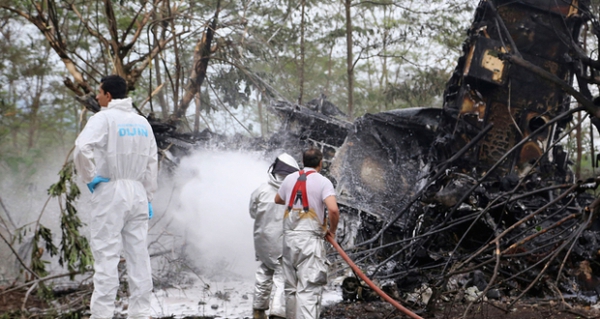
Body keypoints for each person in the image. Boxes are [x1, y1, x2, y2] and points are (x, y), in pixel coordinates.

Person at [74, 75, 158, 319]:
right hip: (138, 193)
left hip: (111, 190)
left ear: (108, 95)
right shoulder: (143, 123)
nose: (97, 97)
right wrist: (149, 195)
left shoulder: (104, 118)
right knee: (139, 256)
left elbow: (82, 148)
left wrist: (90, 177)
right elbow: (152, 163)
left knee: (106, 256)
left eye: (99, 92)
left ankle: (101, 315)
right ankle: (140, 313)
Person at [274, 148, 339, 319]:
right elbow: (333, 209)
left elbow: (277, 199)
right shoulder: (323, 182)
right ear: (320, 163)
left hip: (289, 240)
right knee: (308, 291)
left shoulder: (289, 179)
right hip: (310, 241)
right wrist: (331, 231)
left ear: (302, 162)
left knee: (291, 289)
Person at [250, 153, 300, 319]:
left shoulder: (260, 190)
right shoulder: (293, 195)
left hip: (262, 242)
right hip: (282, 242)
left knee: (264, 271)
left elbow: (252, 212)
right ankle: (278, 312)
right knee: (282, 276)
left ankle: (258, 310)